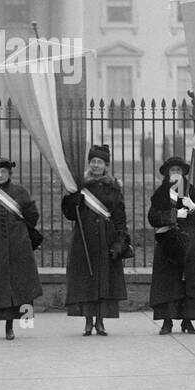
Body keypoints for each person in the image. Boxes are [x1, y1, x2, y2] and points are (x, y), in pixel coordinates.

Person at [62, 144, 130, 336]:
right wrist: (70, 201)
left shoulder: (113, 187)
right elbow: (69, 214)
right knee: (86, 281)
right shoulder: (78, 185)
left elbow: (120, 216)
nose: (96, 165)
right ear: (89, 164)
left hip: (106, 239)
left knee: (103, 281)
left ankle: (100, 322)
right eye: (93, 162)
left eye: (100, 162)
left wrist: (120, 241)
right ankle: (87, 321)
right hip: (83, 239)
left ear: (106, 165)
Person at [0, 158, 44, 341]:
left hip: (17, 248)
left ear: (9, 174)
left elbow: (32, 215)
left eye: (3, 172)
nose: (0, 175)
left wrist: (21, 231)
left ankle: (10, 327)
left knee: (17, 289)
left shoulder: (20, 191)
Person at [147, 156, 195, 335]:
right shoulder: (160, 194)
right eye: (172, 170)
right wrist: (173, 215)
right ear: (167, 173)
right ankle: (167, 321)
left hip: (189, 241)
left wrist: (192, 208)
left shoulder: (191, 192)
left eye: (178, 170)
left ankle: (188, 320)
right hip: (168, 241)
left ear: (183, 173)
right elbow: (153, 218)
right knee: (169, 282)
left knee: (189, 281)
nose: (175, 173)